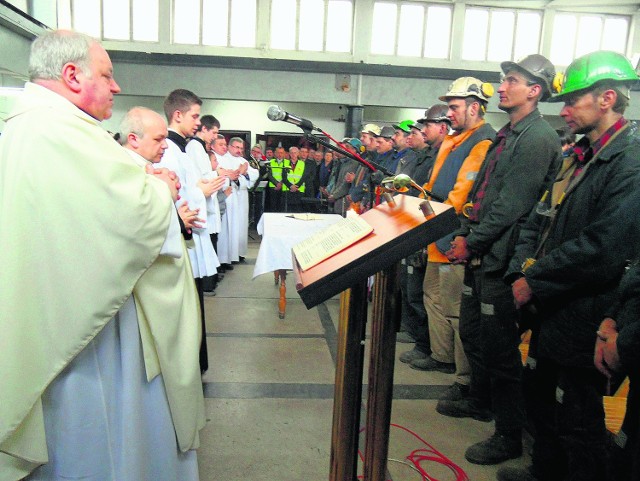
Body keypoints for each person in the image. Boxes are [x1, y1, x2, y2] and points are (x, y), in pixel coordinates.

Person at [0, 30, 204, 480]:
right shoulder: (55, 129)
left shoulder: (35, 123)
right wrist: (159, 189)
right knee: (100, 434)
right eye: (107, 75)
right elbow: (126, 216)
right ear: (72, 75)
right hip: (84, 331)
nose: (115, 86)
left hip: (64, 304)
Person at [499, 51, 640, 481]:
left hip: (585, 309)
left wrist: (535, 281)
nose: (564, 110)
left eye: (573, 100)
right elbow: (542, 218)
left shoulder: (629, 164)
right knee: (541, 398)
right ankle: (545, 469)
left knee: (578, 417)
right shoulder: (580, 156)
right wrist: (523, 274)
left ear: (607, 99)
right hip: (553, 306)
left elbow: (603, 247)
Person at [443, 56, 562, 466]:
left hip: (502, 258)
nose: (502, 87)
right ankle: (480, 400)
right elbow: (482, 192)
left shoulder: (537, 139)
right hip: (483, 252)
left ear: (535, 90)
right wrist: (464, 233)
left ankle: (509, 434)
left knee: (501, 350)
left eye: (511, 81)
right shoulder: (509, 134)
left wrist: (471, 243)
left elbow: (510, 207)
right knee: (474, 334)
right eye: (503, 79)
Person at [413, 95, 494, 407]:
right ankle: (442, 355)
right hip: (439, 234)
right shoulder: (458, 141)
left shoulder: (481, 142)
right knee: (434, 298)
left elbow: (460, 195)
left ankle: (465, 379)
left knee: (457, 312)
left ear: (474, 108)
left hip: (454, 237)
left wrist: (431, 220)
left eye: (455, 108)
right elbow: (436, 184)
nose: (449, 115)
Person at [158, 88, 220, 373]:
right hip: (183, 235)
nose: (198, 122)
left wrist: (203, 190)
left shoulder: (182, 147)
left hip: (192, 231)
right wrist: (201, 192)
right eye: (195, 116)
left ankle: (196, 364)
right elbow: (175, 196)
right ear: (178, 114)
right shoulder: (169, 150)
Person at [187, 114, 226, 295]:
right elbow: (201, 177)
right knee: (207, 242)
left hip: (208, 199)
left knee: (212, 241)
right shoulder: (194, 147)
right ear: (204, 129)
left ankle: (211, 278)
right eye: (214, 133)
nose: (215, 137)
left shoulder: (200, 148)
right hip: (202, 199)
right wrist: (217, 173)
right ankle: (207, 282)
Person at [282, 146, 306, 212]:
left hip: (298, 190)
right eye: (291, 153)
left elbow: (303, 177)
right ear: (289, 153)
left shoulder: (302, 163)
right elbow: (284, 177)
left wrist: (296, 186)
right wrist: (290, 186)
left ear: (298, 153)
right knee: (287, 210)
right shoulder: (285, 163)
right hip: (287, 190)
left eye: (295, 153)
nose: (293, 154)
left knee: (297, 210)